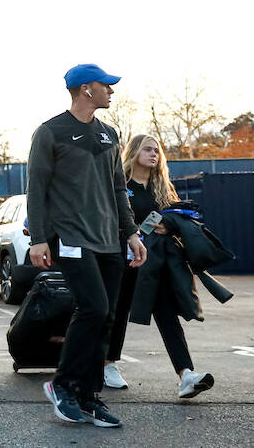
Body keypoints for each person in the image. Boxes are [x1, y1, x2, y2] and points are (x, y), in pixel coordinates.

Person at [28, 64, 146, 428]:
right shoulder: (51, 132)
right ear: (84, 90)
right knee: (93, 307)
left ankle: (89, 396)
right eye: (105, 85)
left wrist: (131, 232)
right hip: (71, 236)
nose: (112, 90)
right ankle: (63, 385)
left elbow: (117, 190)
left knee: (106, 315)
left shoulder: (110, 134)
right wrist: (38, 239)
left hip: (109, 239)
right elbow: (38, 188)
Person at [104, 134, 214, 397]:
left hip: (155, 261)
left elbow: (175, 219)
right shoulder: (121, 185)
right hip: (124, 257)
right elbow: (112, 217)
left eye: (157, 150)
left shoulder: (161, 188)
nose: (153, 154)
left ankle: (186, 374)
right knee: (118, 310)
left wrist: (169, 225)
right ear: (134, 152)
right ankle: (107, 364)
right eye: (147, 149)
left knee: (166, 312)